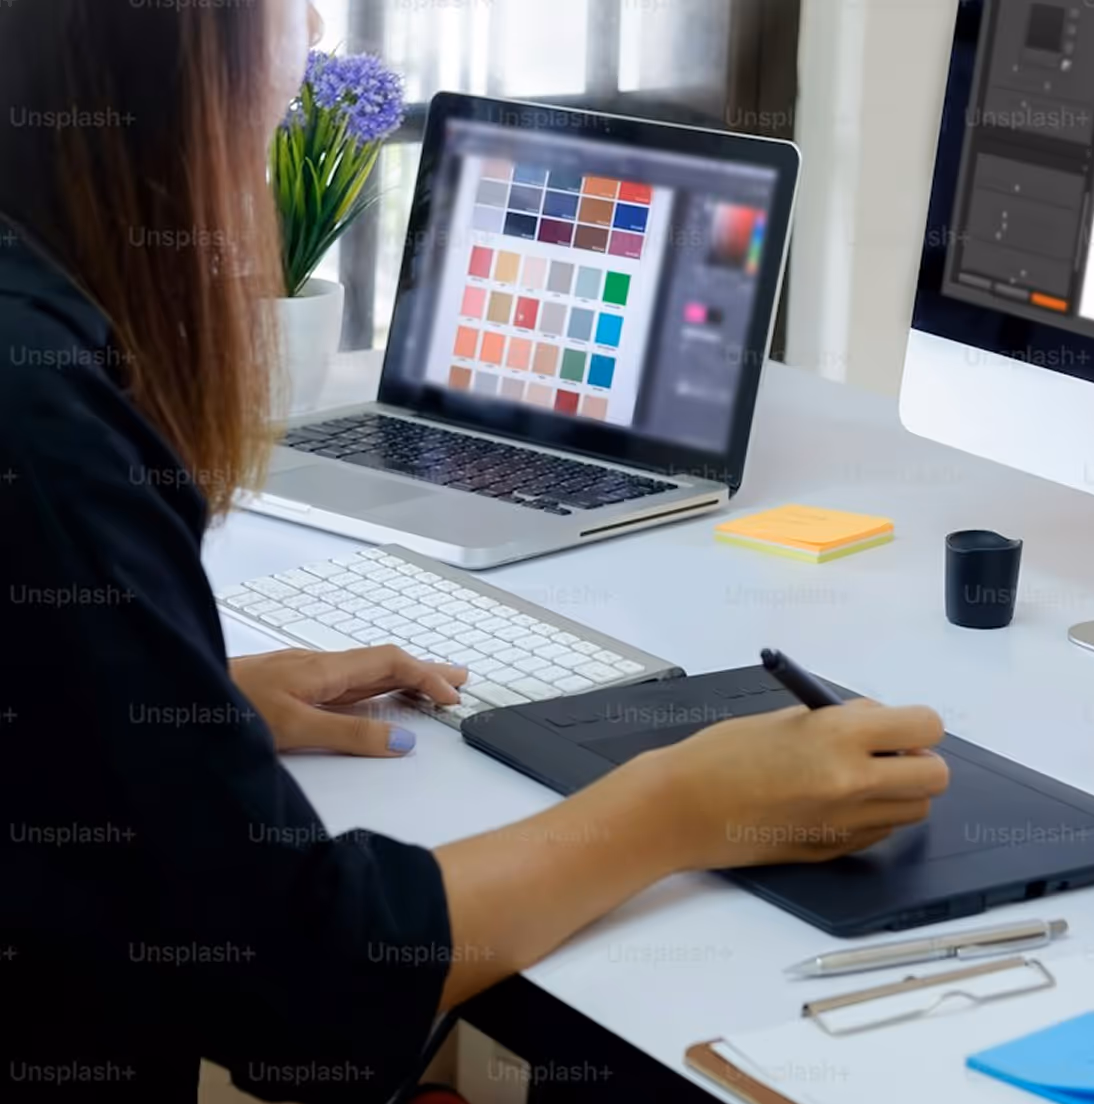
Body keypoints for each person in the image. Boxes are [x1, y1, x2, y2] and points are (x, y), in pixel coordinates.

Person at [0, 3, 950, 1101]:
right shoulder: (43, 424)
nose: (308, 27)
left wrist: (170, 703)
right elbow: (300, 982)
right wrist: (679, 805)